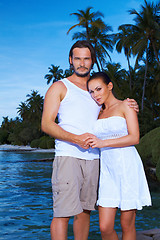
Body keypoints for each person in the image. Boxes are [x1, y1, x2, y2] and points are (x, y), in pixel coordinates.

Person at [41, 40, 139, 240]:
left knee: (85, 212)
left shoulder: (95, 90)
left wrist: (131, 104)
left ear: (92, 61)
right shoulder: (59, 87)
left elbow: (114, 110)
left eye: (86, 58)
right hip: (68, 156)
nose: (82, 63)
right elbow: (46, 124)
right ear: (70, 60)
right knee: (62, 213)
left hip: (95, 159)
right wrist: (75, 139)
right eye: (77, 58)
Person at [86, 72, 152, 240]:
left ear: (110, 86)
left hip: (127, 166)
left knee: (126, 224)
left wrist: (102, 143)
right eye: (91, 91)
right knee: (105, 227)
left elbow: (134, 137)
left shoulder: (126, 106)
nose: (95, 95)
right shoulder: (97, 112)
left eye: (99, 89)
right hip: (107, 172)